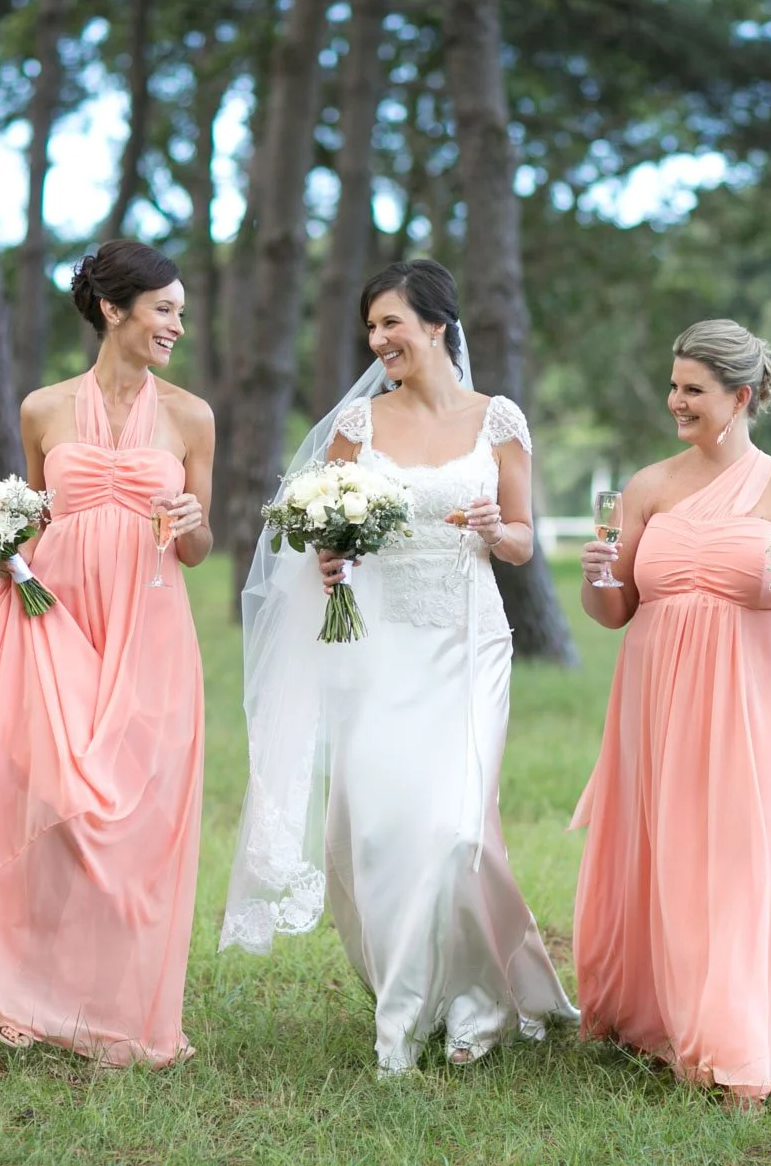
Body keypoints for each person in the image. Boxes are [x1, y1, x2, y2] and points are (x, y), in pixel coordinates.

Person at [222, 259, 577, 1076]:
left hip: (466, 639)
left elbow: (524, 542)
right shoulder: (359, 425)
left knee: (456, 833)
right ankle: (417, 1004)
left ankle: (474, 1002)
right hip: (377, 646)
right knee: (379, 833)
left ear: (437, 326)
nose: (380, 340)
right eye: (371, 328)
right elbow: (323, 531)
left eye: (393, 324)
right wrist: (330, 558)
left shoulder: (500, 420)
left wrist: (495, 527)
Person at [0, 239, 214, 1067]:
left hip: (151, 629)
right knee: (50, 808)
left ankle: (131, 1009)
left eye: (181, 312)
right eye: (165, 309)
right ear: (113, 310)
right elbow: (33, 520)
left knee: (139, 815)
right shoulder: (44, 409)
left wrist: (194, 529)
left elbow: (195, 550)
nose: (177, 327)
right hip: (51, 624)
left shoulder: (191, 416)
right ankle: (33, 996)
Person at [571, 318, 771, 1107]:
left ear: (740, 397)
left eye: (692, 390)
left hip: (754, 703)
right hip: (655, 695)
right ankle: (660, 1016)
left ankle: (743, 1044)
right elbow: (612, 611)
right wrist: (596, 576)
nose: (675, 402)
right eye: (673, 386)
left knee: (740, 862)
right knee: (667, 851)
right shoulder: (648, 487)